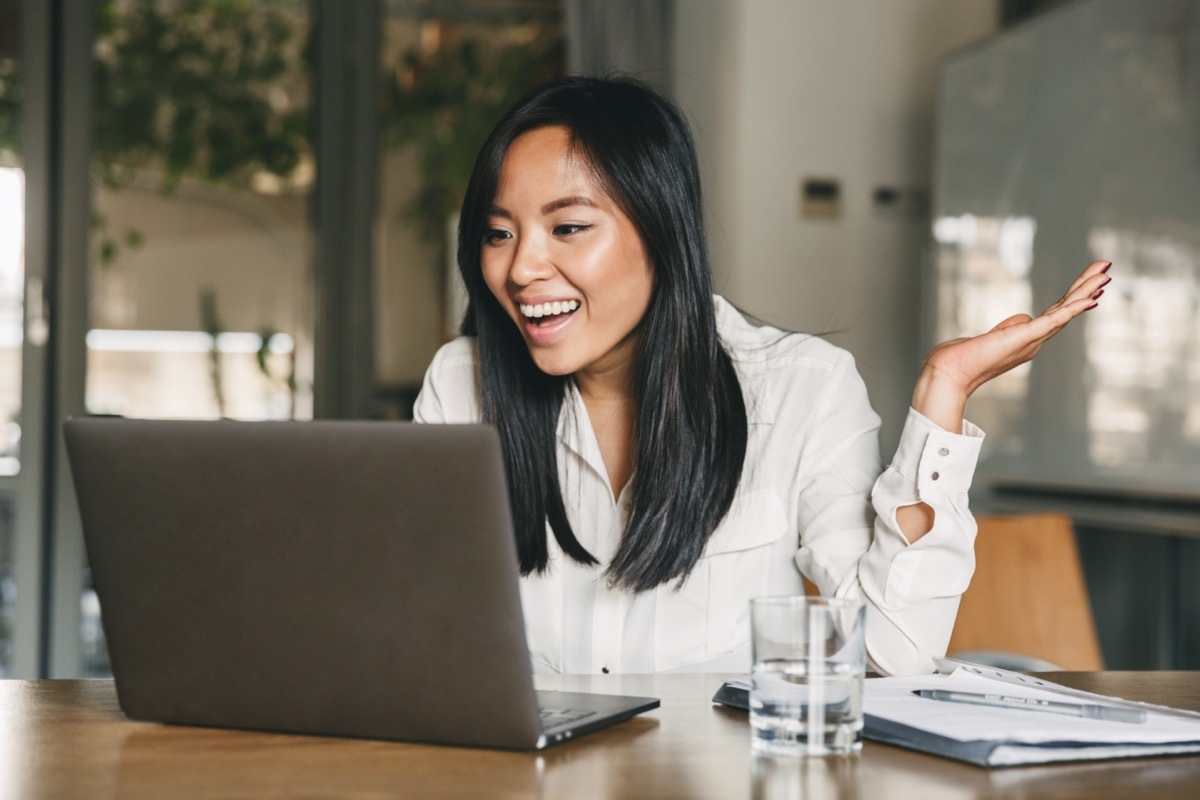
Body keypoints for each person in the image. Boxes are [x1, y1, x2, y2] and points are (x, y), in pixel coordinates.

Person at [412, 76, 1111, 676]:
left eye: (567, 228)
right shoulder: (460, 385)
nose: (521, 268)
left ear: (662, 232)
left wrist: (944, 391)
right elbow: (422, 635)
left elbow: (892, 654)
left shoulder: (802, 389)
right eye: (498, 233)